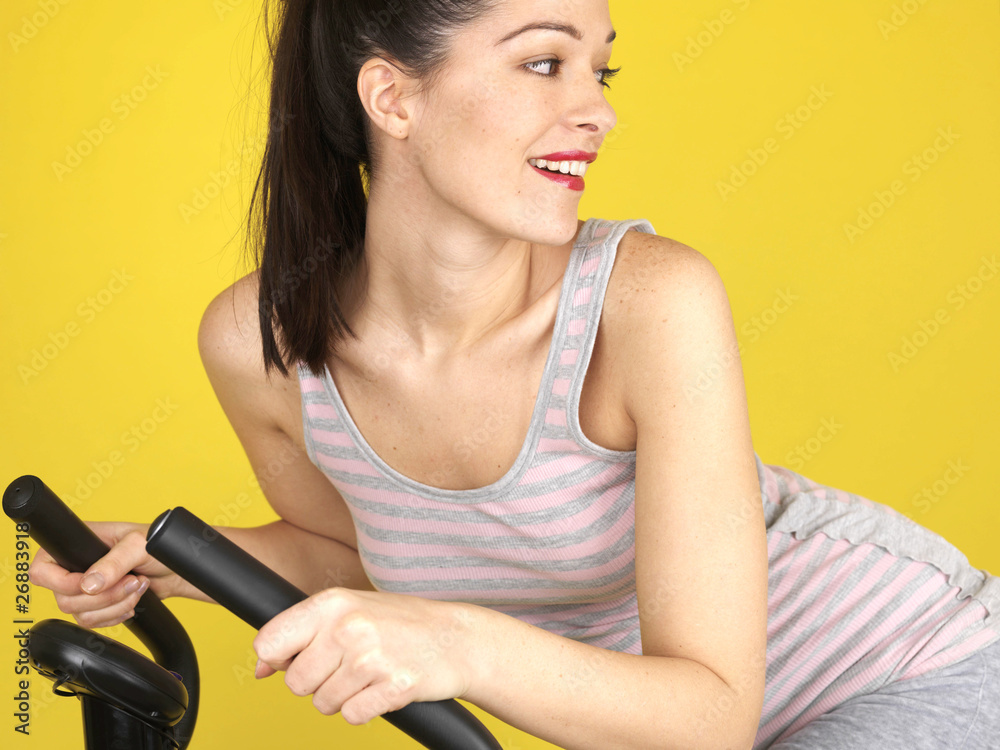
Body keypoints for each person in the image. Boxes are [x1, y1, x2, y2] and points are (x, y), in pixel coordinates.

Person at [29, 0, 1000, 748]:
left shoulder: (648, 302)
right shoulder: (261, 344)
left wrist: (455, 645)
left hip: (909, 669)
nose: (600, 111)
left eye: (599, 69)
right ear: (392, 97)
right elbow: (377, 556)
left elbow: (707, 718)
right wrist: (188, 564)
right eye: (544, 63)